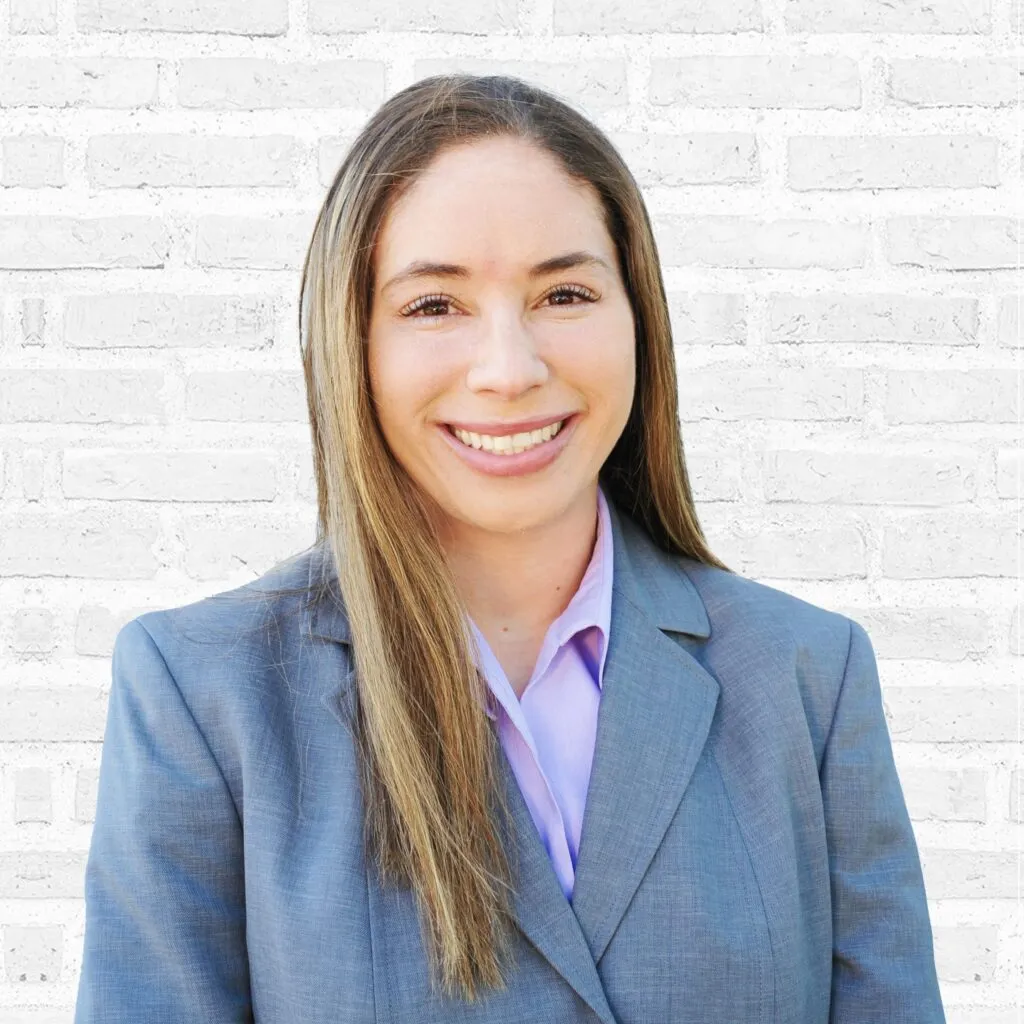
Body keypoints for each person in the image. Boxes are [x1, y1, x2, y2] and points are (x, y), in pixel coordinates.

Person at [74, 74, 946, 1023]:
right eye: (434, 306)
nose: (511, 370)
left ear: (639, 318)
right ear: (352, 342)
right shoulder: (203, 697)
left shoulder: (808, 678)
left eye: (565, 292)